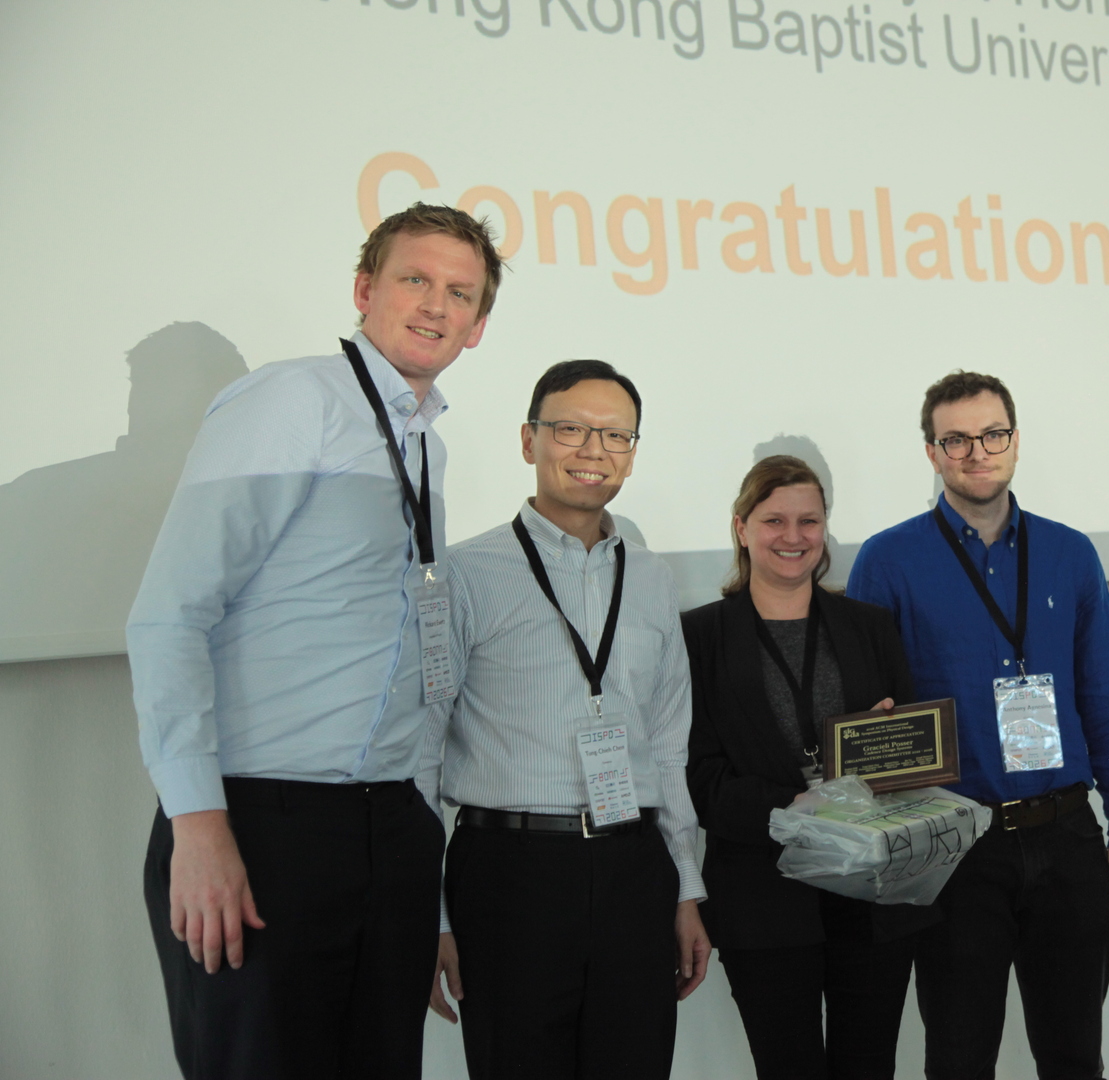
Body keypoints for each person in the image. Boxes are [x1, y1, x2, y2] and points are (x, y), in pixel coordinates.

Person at [127, 203, 503, 1079]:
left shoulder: (427, 447)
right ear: (365, 289)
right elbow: (170, 614)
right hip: (262, 824)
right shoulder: (296, 399)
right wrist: (199, 826)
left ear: (478, 325)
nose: (436, 304)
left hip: (387, 829)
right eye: (415, 279)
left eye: (460, 293)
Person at [846, 371, 1109, 1080]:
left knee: (1075, 1056)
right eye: (956, 440)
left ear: (1016, 441)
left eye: (992, 435)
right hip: (956, 847)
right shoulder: (887, 560)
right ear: (932, 453)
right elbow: (864, 716)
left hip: (1068, 836)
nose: (976, 452)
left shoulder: (1070, 552)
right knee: (959, 1059)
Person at [418, 359, 710, 1079]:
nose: (593, 450)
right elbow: (418, 749)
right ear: (529, 440)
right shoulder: (462, 574)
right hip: (509, 874)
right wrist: (433, 915)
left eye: (615, 436)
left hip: (634, 869)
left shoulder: (652, 578)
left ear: (632, 454)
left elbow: (668, 746)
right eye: (571, 429)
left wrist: (685, 888)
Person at [682, 455, 937, 1080]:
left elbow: (914, 764)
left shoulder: (870, 627)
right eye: (774, 520)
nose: (793, 537)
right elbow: (696, 776)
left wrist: (886, 744)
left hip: (872, 895)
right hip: (761, 899)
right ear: (741, 527)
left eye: (809, 521)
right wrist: (791, 806)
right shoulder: (698, 638)